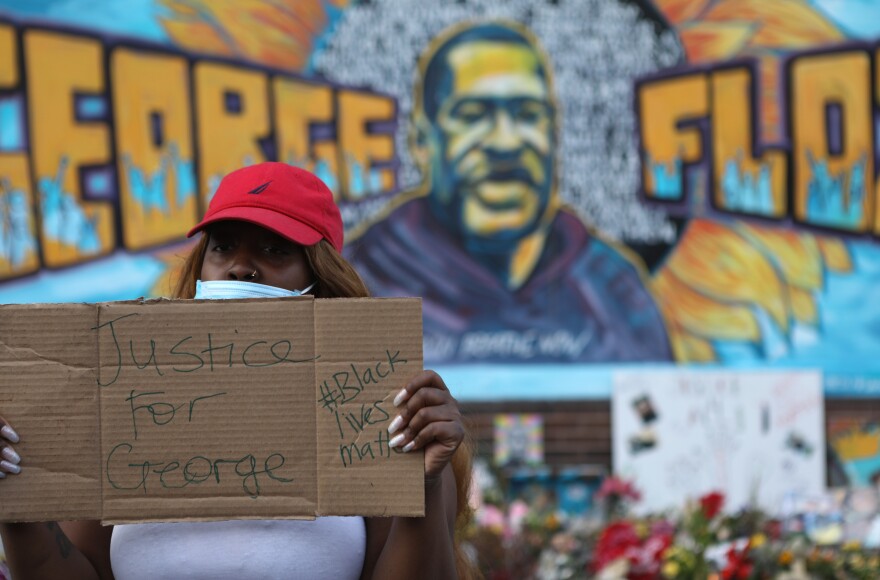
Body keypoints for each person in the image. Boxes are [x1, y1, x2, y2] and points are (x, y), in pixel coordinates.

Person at [0, 162, 475, 580]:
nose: (240, 268)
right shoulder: (124, 401)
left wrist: (425, 487)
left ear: (322, 280)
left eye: (275, 250)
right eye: (223, 247)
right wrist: (15, 501)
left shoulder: (383, 416)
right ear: (200, 269)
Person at [346, 21, 673, 364]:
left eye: (528, 114)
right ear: (422, 141)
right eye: (472, 115)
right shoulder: (360, 281)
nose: (506, 142)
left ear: (554, 134)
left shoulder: (613, 290)